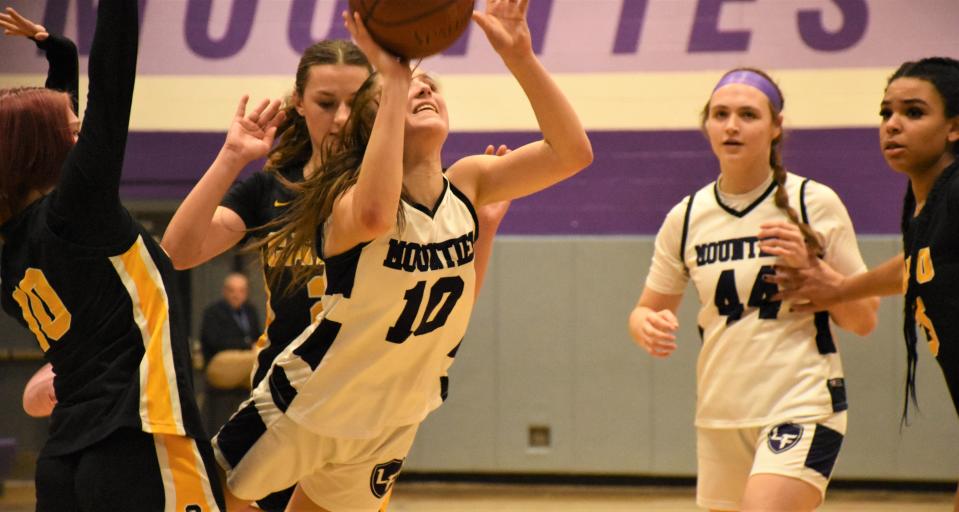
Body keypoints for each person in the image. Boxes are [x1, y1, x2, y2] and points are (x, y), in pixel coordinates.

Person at [212, 2, 593, 510]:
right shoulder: (346, 200)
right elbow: (374, 216)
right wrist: (392, 77)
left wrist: (519, 55)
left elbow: (573, 153)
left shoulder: (470, 183)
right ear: (377, 123)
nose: (424, 88)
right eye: (408, 89)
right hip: (314, 399)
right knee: (209, 496)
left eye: (430, 85)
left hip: (392, 416)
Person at [162, 35, 511, 511]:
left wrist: (483, 231)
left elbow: (448, 311)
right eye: (326, 103)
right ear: (299, 106)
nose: (342, 118)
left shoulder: (415, 191)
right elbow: (177, 254)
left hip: (364, 416)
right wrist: (232, 158)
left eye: (355, 102)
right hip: (288, 405)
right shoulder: (272, 190)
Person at [0, 0, 224, 509]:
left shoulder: (12, 251)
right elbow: (112, 80)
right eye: (72, 129)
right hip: (139, 436)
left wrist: (58, 55)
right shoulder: (78, 210)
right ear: (46, 149)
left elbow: (52, 125)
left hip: (64, 458)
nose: (81, 131)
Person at [627, 68, 879, 511]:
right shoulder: (686, 217)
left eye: (748, 114)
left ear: (776, 126)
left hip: (801, 401)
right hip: (721, 411)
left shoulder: (811, 203)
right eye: (720, 114)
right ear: (706, 124)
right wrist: (645, 324)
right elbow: (645, 310)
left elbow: (864, 320)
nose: (732, 125)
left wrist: (815, 271)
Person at [774, 57, 959, 511]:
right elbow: (917, 264)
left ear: (954, 127)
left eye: (913, 113)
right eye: (886, 113)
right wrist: (839, 290)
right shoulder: (926, 204)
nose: (893, 125)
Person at [1, 7, 78, 421]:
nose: (79, 125)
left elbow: (61, 104)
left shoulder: (15, 238)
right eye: (72, 129)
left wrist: (54, 47)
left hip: (75, 370)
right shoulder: (67, 211)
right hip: (95, 377)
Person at [199, 273, 262, 433]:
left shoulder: (250, 311)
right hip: (222, 370)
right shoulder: (213, 312)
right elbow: (215, 341)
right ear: (224, 291)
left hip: (244, 377)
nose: (236, 295)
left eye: (241, 291)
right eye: (232, 290)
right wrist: (247, 345)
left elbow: (257, 336)